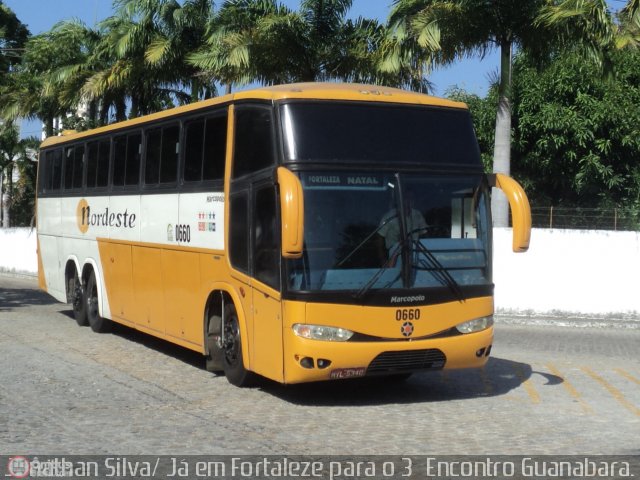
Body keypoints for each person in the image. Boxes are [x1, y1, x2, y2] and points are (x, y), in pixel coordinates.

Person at [376, 194, 427, 265]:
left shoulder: (417, 215)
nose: (408, 202)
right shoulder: (389, 217)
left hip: (416, 255)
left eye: (411, 199)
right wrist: (382, 259)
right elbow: (380, 239)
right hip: (395, 255)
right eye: (405, 199)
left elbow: (424, 235)